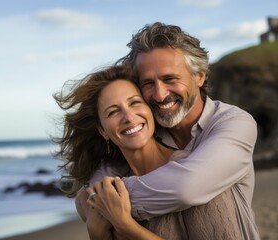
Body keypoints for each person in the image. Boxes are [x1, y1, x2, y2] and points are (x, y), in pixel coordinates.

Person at [77, 22, 259, 239]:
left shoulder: (233, 123)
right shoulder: (145, 131)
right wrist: (91, 200)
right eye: (148, 83)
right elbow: (99, 182)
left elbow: (187, 187)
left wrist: (106, 204)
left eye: (170, 79)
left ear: (199, 76)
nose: (160, 95)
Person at [54, 65, 242, 239]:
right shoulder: (105, 188)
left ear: (150, 109)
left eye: (135, 103)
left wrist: (125, 225)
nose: (128, 117)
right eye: (113, 112)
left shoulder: (196, 175)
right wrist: (96, 232)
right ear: (103, 130)